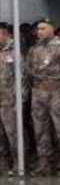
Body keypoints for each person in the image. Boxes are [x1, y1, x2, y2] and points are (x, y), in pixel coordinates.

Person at [26, 18, 60, 177]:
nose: (40, 32)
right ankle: (44, 161)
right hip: (38, 91)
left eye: (43, 28)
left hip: (56, 92)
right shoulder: (35, 49)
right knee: (40, 128)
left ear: (51, 29)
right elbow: (28, 68)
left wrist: (58, 82)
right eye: (38, 29)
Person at [0, 23, 17, 175]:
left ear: (6, 34)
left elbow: (21, 76)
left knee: (12, 134)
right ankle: (3, 163)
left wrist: (20, 99)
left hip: (9, 99)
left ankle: (18, 163)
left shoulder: (14, 51)